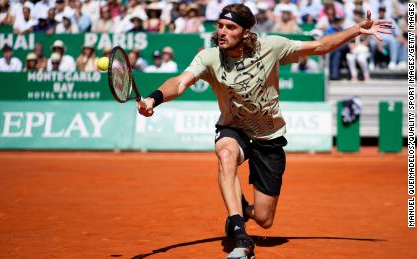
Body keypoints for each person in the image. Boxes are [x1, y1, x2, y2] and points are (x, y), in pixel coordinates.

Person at [136, 4, 392, 258]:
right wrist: (153, 99)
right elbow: (179, 83)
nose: (222, 32)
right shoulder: (209, 57)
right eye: (220, 26)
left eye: (231, 27)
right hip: (233, 129)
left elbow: (320, 47)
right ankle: (239, 234)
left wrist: (356, 30)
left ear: (246, 32)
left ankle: (244, 210)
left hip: (268, 137)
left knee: (264, 219)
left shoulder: (271, 47)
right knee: (225, 155)